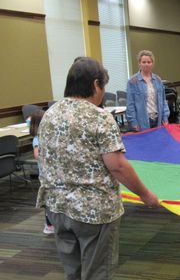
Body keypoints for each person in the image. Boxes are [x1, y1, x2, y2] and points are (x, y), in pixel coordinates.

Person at [37, 57, 160, 280]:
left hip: (57, 208)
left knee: (72, 271)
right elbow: (118, 166)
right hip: (93, 213)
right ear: (95, 84)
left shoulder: (49, 114)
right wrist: (146, 195)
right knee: (97, 272)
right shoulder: (99, 118)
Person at [126, 50, 170, 131]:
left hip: (158, 120)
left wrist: (165, 117)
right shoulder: (132, 81)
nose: (146, 64)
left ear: (152, 63)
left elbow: (163, 101)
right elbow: (130, 105)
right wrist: (134, 123)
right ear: (139, 63)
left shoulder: (158, 80)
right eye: (144, 62)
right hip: (142, 122)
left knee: (158, 143)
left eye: (149, 62)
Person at [28, 110, 54, 235]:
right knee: (48, 199)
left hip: (51, 173)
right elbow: (37, 154)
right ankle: (49, 225)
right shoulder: (37, 139)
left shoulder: (47, 136)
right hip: (45, 174)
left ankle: (53, 223)